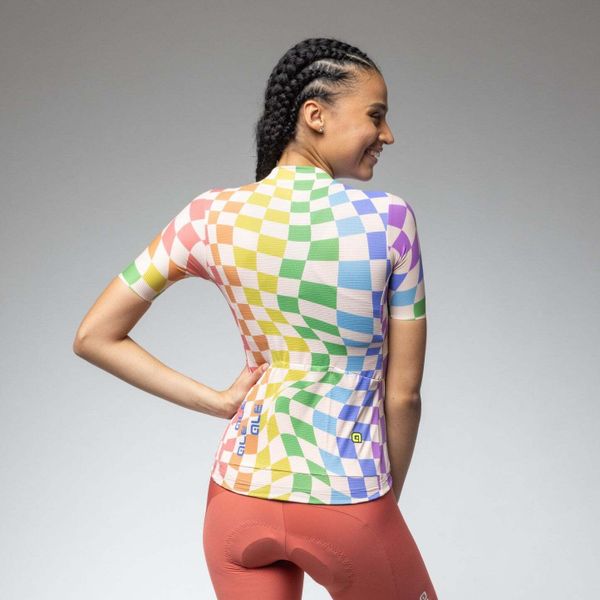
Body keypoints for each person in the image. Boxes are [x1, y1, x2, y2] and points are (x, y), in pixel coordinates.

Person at [73, 36, 437, 600]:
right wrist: (380, 505)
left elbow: (94, 336)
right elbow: (404, 395)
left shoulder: (207, 215)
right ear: (315, 115)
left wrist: (218, 402)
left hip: (236, 499)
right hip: (346, 495)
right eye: (376, 115)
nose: (386, 134)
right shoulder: (389, 221)